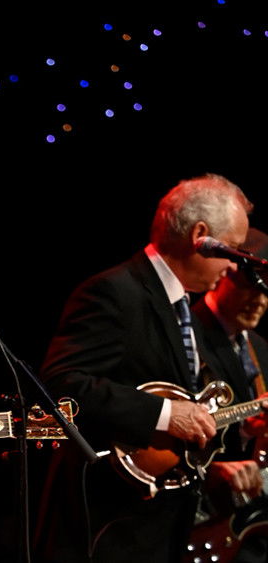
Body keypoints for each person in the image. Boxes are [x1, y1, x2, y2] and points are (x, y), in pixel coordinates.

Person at [35, 173, 251, 562]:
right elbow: (61, 385)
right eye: (232, 250)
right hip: (107, 527)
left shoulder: (182, 306)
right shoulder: (114, 292)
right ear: (200, 236)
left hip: (158, 526)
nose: (234, 266)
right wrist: (167, 414)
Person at [191, 227, 268, 562]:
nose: (260, 300)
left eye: (267, 289)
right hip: (198, 515)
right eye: (251, 285)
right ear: (224, 274)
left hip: (247, 522)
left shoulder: (260, 348)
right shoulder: (188, 335)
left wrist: (253, 430)